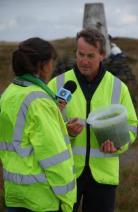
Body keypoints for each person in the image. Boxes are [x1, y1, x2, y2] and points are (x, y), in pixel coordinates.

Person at [48, 28, 137, 212]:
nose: (84, 61)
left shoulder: (118, 88)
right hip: (66, 174)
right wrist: (67, 131)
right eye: (80, 54)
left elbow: (131, 126)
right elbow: (45, 126)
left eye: (90, 55)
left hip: (103, 175)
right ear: (76, 52)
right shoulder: (57, 84)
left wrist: (120, 145)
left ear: (102, 55)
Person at [0, 37, 76, 212]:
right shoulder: (39, 101)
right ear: (42, 65)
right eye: (51, 62)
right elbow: (54, 157)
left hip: (15, 194)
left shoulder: (8, 94)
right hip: (43, 198)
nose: (53, 67)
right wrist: (67, 200)